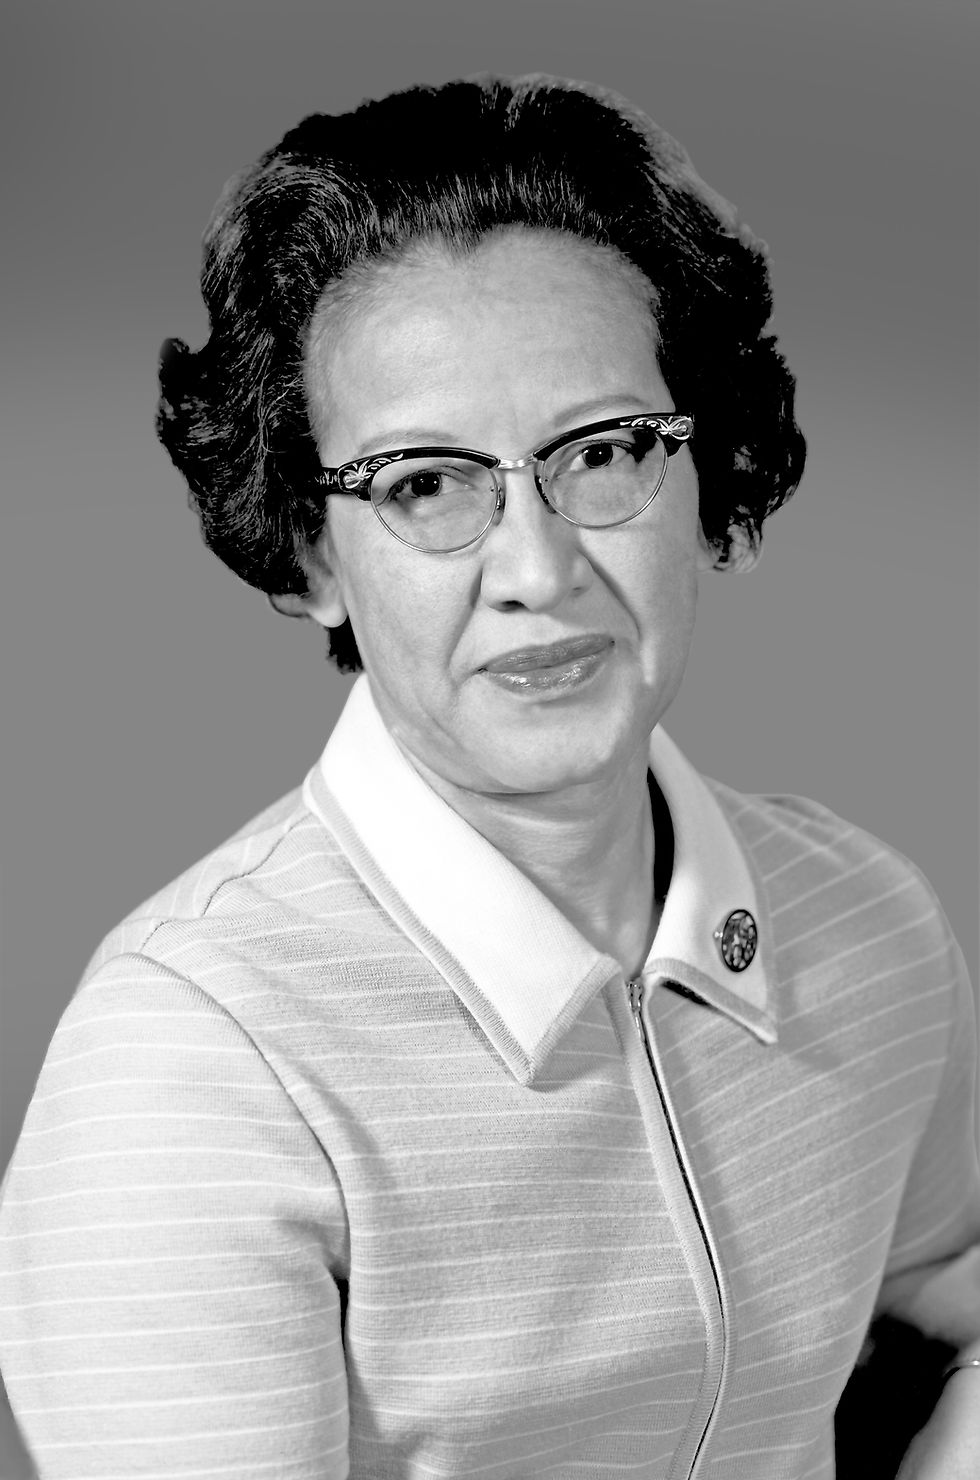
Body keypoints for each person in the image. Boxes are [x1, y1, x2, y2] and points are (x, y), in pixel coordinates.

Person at [0, 72, 977, 1480]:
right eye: (423, 484)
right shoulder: (187, 1070)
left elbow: (945, 1281)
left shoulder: (871, 922)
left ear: (711, 474)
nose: (538, 568)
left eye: (605, 452)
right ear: (315, 556)